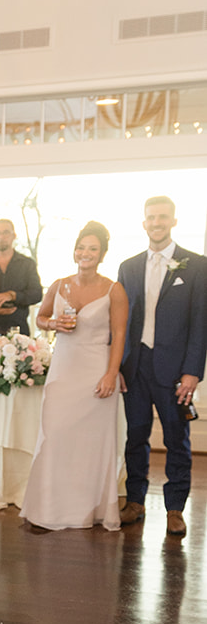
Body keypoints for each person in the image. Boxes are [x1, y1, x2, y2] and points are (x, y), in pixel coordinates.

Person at [20, 222, 129, 532]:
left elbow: (119, 335)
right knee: (53, 436)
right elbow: (40, 318)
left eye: (93, 249)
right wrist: (54, 324)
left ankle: (88, 510)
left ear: (102, 254)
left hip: (95, 372)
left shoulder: (113, 290)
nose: (86, 253)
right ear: (74, 251)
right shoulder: (59, 284)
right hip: (63, 371)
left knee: (90, 445)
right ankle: (48, 508)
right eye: (82, 247)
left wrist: (111, 373)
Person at [117, 195, 207, 539]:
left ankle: (174, 509)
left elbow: (201, 323)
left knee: (177, 441)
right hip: (135, 369)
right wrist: (119, 366)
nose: (156, 222)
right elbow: (121, 321)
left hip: (175, 373)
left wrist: (192, 372)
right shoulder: (128, 266)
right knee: (135, 437)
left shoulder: (196, 265)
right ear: (144, 223)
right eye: (151, 217)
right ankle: (136, 502)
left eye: (163, 217)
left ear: (173, 221)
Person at [0, 219, 43, 337]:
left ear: (14, 236)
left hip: (19, 333)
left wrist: (12, 295)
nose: (1, 237)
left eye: (6, 232)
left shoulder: (27, 264)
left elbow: (37, 294)